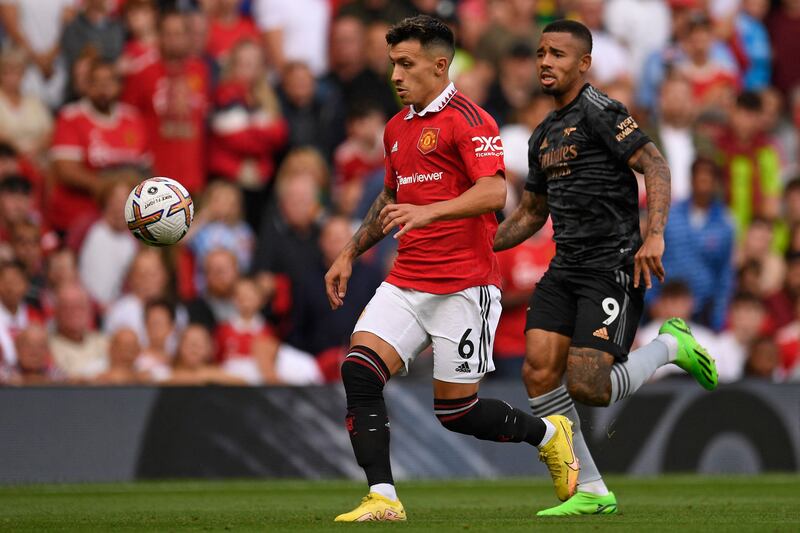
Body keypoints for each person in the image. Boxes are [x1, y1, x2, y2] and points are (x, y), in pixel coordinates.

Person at [324, 16, 578, 523]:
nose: (395, 75)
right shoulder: (396, 128)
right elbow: (391, 198)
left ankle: (551, 435)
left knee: (456, 413)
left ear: (440, 66)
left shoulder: (470, 118)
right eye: (392, 64)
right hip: (406, 280)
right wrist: (350, 251)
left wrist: (429, 211)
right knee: (359, 369)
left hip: (465, 287)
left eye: (406, 64)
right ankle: (383, 497)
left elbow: (494, 192)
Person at [493, 20, 719, 516]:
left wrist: (653, 234)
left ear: (584, 63)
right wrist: (482, 247)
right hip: (565, 265)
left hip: (611, 264)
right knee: (537, 371)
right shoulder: (544, 134)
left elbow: (655, 165)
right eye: (540, 53)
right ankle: (592, 490)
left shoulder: (600, 110)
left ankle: (668, 345)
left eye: (557, 54)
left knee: (589, 385)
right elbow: (531, 213)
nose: (545, 62)